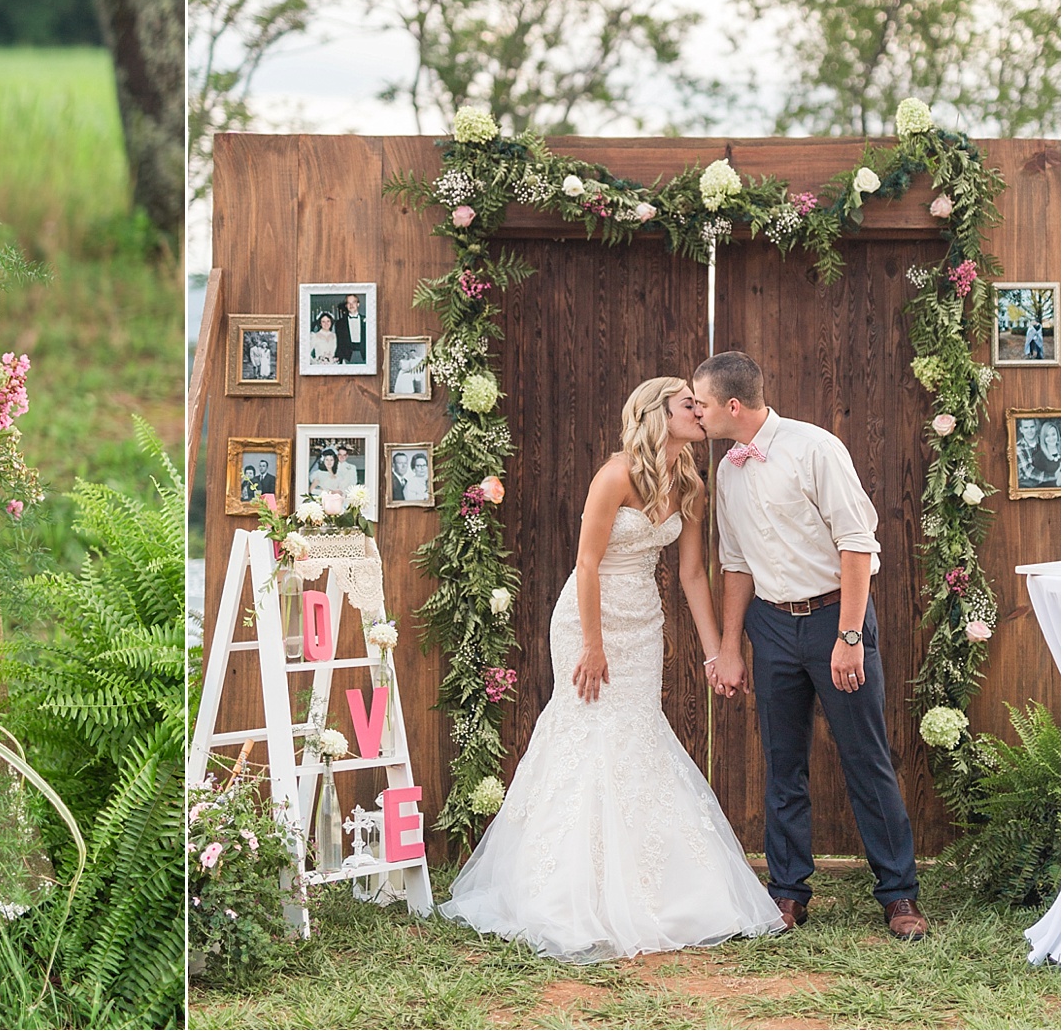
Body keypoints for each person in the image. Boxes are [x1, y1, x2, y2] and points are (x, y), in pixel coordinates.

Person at [442, 376, 784, 962]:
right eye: (688, 405)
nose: (699, 413)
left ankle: (650, 886)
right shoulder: (616, 474)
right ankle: (567, 888)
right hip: (588, 621)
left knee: (636, 735)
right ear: (658, 413)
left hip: (643, 625)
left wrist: (713, 651)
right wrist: (593, 645)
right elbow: (587, 562)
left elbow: (693, 576)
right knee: (587, 733)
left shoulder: (691, 484)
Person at [695, 351, 927, 941]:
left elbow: (856, 544)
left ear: (732, 405)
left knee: (865, 758)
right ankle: (788, 892)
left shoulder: (816, 448)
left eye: (700, 403)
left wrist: (850, 636)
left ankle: (900, 895)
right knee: (783, 763)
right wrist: (729, 646)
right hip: (770, 628)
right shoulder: (727, 471)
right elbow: (737, 564)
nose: (695, 413)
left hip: (834, 619)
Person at [334, 293, 367, 366]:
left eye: (353, 302)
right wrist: (339, 357)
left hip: (364, 355)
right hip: (347, 356)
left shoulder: (367, 320)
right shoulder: (340, 323)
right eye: (349, 303)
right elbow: (339, 342)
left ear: (358, 304)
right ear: (346, 306)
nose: (351, 305)